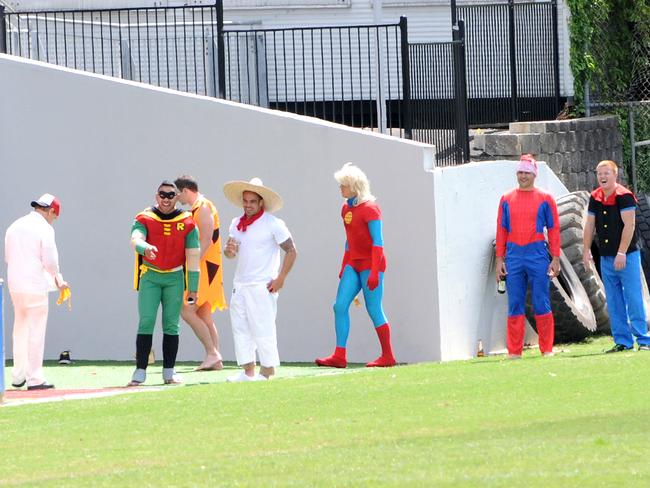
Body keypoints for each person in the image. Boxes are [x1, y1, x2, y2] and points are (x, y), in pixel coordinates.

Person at [316, 163, 397, 368]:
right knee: (339, 305)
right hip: (354, 263)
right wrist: (344, 264)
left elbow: (378, 241)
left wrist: (375, 270)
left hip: (371, 264)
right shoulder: (346, 208)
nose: (340, 189)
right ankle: (339, 355)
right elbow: (349, 240)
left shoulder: (370, 208)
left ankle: (388, 355)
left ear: (354, 186)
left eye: (343, 185)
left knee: (374, 308)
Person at [222, 177, 297, 382]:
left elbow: (291, 250)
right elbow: (231, 253)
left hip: (262, 284)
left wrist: (281, 277)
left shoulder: (273, 223)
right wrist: (228, 251)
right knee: (240, 328)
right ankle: (247, 372)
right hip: (240, 284)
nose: (248, 205)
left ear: (261, 202)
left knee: (263, 328)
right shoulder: (236, 224)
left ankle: (267, 372)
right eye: (245, 201)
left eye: (252, 201)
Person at [128, 181, 200, 386]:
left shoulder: (187, 221)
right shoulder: (144, 217)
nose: (166, 199)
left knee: (171, 325)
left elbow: (193, 256)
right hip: (150, 276)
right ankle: (140, 370)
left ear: (177, 197)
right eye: (162, 194)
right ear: (156, 196)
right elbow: (135, 238)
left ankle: (169, 371)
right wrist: (144, 247)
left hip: (175, 279)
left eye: (170, 195)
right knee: (146, 321)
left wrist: (193, 288)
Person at [495, 154, 561, 358]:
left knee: (542, 301)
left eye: (526, 172)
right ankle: (514, 352)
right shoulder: (506, 198)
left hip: (538, 254)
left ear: (534, 174)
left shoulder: (546, 198)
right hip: (513, 256)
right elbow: (501, 230)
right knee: (514, 303)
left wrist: (556, 257)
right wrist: (500, 259)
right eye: (520, 172)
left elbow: (554, 228)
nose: (522, 176)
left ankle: (547, 350)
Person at [583, 160, 650, 352]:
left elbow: (630, 225)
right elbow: (589, 225)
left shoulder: (624, 196)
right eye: (599, 173)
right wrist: (586, 250)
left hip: (627, 256)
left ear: (615, 175)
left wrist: (621, 252)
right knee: (613, 300)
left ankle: (644, 340)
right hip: (606, 257)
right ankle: (622, 341)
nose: (602, 177)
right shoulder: (595, 197)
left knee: (633, 297)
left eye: (606, 173)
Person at [4, 193, 69, 390]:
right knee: (36, 332)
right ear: (51, 211)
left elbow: (8, 257)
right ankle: (35, 378)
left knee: (20, 329)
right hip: (35, 285)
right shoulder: (45, 229)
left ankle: (18, 375)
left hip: (15, 284)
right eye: (54, 217)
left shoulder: (15, 225)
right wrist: (58, 279)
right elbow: (50, 262)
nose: (53, 220)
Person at [174, 175, 227, 371]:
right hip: (206, 267)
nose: (176, 198)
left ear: (185, 190)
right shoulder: (199, 207)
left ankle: (213, 353)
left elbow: (205, 241)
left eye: (178, 193)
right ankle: (216, 359)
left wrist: (191, 266)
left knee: (186, 310)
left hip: (205, 268)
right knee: (204, 314)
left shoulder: (203, 207)